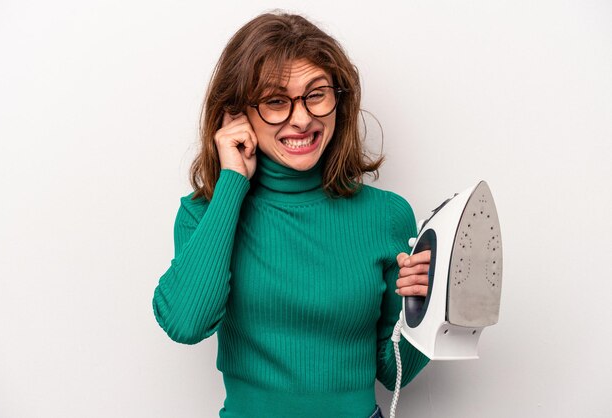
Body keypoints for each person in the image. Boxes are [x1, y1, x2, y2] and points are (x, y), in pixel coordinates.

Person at [152, 11, 431, 418]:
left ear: (340, 100)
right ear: (237, 113)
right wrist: (232, 183)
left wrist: (428, 307)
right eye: (275, 101)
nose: (301, 118)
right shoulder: (205, 214)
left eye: (316, 94)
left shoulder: (387, 216)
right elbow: (186, 324)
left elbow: (393, 373)